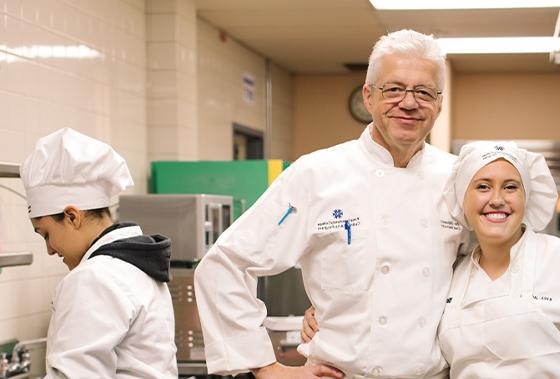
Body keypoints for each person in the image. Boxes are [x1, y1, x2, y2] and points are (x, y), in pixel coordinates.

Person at [193, 29, 465, 378]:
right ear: (369, 97)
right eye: (393, 89)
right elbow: (224, 264)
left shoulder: (458, 178)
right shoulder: (317, 174)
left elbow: (487, 272)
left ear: (439, 104)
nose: (409, 102)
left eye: (424, 92)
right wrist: (267, 368)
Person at [303, 141, 560, 378]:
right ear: (463, 200)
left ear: (526, 198)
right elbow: (400, 314)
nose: (497, 199)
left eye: (510, 187)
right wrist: (332, 313)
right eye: (482, 186)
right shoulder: (451, 275)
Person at [21, 128, 176, 378]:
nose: (49, 250)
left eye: (46, 234)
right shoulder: (136, 264)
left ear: (72, 216)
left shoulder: (94, 278)